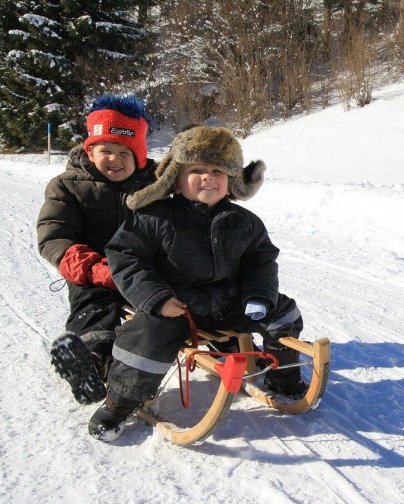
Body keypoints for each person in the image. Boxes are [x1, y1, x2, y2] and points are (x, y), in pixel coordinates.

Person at [89, 126, 306, 441]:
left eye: (217, 170)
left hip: (232, 302)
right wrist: (156, 298)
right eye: (197, 170)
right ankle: (120, 401)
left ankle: (282, 378)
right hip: (177, 306)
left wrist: (259, 296)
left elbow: (261, 260)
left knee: (285, 312)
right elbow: (125, 256)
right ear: (176, 177)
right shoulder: (155, 216)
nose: (208, 177)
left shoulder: (244, 222)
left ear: (230, 179)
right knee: (146, 336)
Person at [36, 95, 156, 405]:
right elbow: (54, 236)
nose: (114, 159)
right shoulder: (68, 186)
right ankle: (90, 361)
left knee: (188, 297)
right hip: (95, 270)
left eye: (123, 153)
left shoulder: (154, 185)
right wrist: (92, 268)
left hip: (144, 270)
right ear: (90, 150)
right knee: (94, 306)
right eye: (105, 151)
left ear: (140, 156)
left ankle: (231, 348)